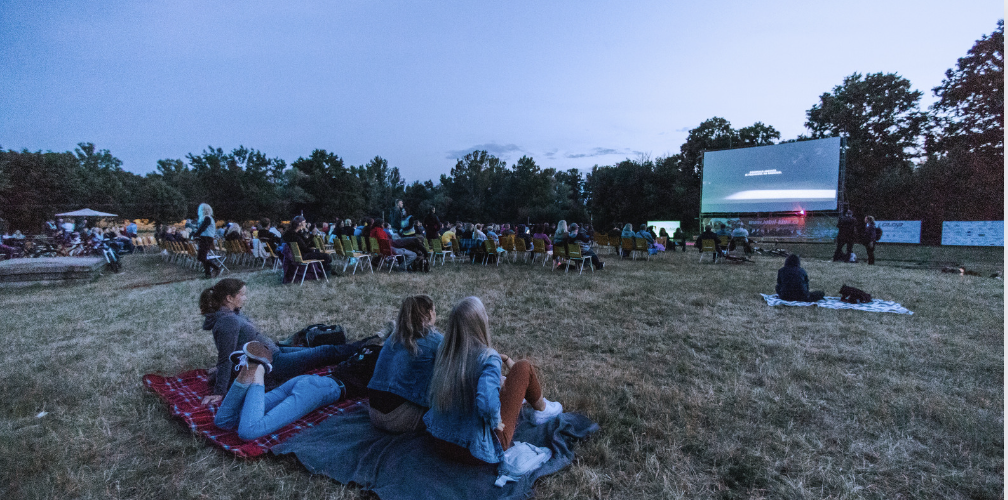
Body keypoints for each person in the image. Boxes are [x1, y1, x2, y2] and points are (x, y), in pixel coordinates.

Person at [424, 297, 563, 465]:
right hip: (475, 450)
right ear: (480, 323)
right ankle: (542, 410)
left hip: (441, 441)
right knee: (523, 368)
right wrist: (501, 417)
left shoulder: (445, 351)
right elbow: (488, 407)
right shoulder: (488, 358)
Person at [199, 278, 374, 407]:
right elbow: (226, 356)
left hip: (274, 352)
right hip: (274, 363)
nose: (245, 298)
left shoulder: (232, 314)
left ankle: (369, 343)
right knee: (325, 351)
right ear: (229, 298)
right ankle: (372, 345)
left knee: (319, 349)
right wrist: (219, 391)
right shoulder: (227, 321)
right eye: (242, 295)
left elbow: (234, 350)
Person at [368, 295, 443, 432]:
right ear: (430, 313)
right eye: (435, 311)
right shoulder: (435, 340)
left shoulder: (393, 337)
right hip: (398, 417)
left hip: (373, 411)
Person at [195, 203, 222, 278]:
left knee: (201, 257)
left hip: (206, 238)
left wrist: (196, 234)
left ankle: (216, 268)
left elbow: (203, 227)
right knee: (203, 257)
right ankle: (208, 274)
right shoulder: (207, 218)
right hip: (205, 238)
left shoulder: (207, 218)